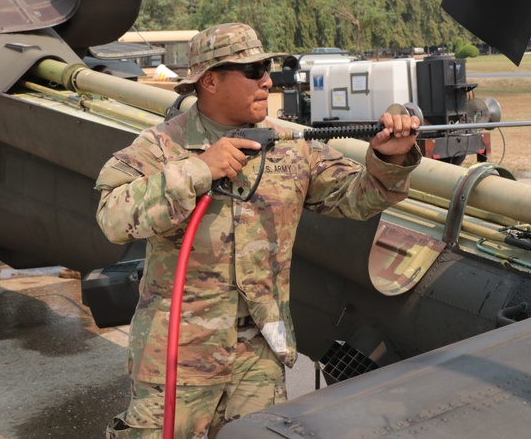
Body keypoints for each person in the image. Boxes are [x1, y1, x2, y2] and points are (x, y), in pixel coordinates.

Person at [95, 23, 421, 438]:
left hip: (259, 358)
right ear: (210, 81)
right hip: (179, 355)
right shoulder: (160, 146)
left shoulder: (290, 145)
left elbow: (359, 197)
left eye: (267, 68)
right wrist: (198, 170)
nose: (267, 80)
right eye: (253, 71)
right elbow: (112, 218)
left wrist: (388, 158)